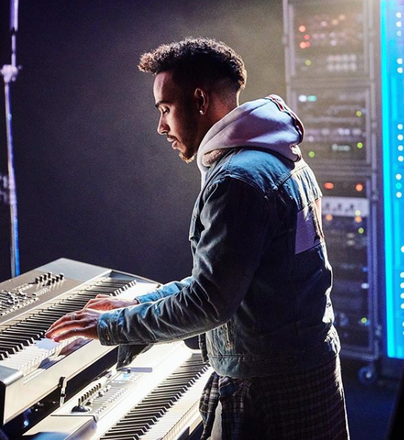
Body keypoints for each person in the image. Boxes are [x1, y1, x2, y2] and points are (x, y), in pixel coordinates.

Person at [47, 37, 350, 439]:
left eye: (165, 109)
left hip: (269, 392)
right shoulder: (277, 157)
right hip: (306, 377)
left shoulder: (237, 181)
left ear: (200, 100)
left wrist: (111, 326)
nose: (161, 126)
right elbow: (230, 282)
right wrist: (138, 303)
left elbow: (208, 303)